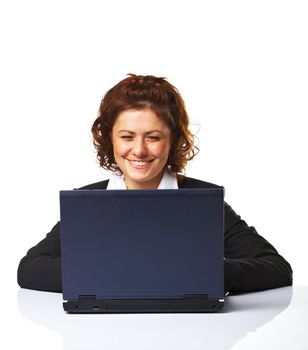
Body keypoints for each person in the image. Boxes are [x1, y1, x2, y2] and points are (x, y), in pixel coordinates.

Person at [17, 74, 292, 295]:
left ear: (172, 140)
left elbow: (276, 268)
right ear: (109, 139)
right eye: (127, 136)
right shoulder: (87, 202)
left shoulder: (202, 200)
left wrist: (201, 271)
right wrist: (132, 271)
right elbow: (30, 269)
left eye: (153, 137)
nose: (139, 150)